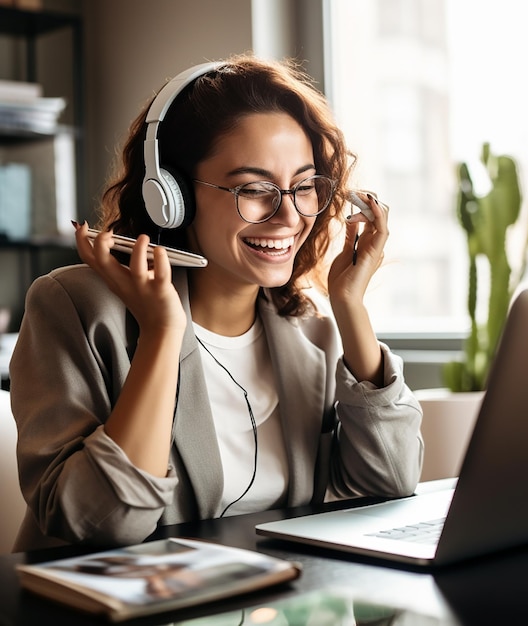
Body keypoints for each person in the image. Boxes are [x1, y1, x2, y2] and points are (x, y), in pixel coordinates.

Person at [9, 54, 424, 552]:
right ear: (172, 196)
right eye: (254, 190)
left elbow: (390, 485)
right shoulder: (77, 307)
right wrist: (162, 333)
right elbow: (101, 524)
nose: (288, 216)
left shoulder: (310, 330)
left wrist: (350, 307)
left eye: (303, 187)